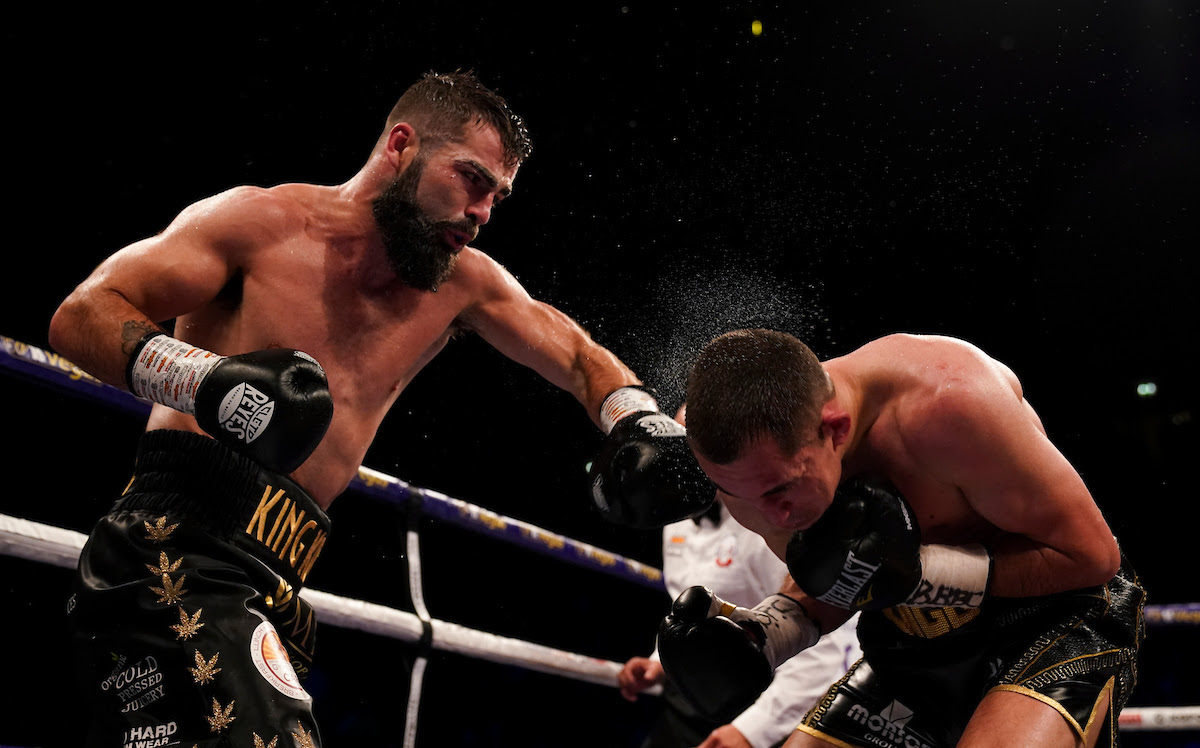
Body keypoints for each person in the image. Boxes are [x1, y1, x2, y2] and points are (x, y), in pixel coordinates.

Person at [48, 70, 711, 747]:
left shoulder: (463, 287)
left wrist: (638, 418)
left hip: (278, 576)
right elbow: (81, 315)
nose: (483, 211)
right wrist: (208, 382)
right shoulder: (259, 224)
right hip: (172, 548)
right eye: (472, 179)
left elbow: (576, 354)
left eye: (498, 196)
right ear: (401, 145)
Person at [656, 329, 1145, 748]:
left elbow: (1092, 557)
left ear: (835, 430)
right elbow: (843, 576)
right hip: (909, 639)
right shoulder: (754, 475)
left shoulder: (950, 404)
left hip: (1049, 621)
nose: (770, 514)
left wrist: (923, 576)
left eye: (781, 489)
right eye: (738, 494)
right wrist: (772, 630)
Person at [619, 496, 861, 748]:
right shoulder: (676, 520)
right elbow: (687, 604)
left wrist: (750, 732)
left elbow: (819, 643)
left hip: (767, 701)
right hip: (689, 701)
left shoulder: (766, 520)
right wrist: (661, 660)